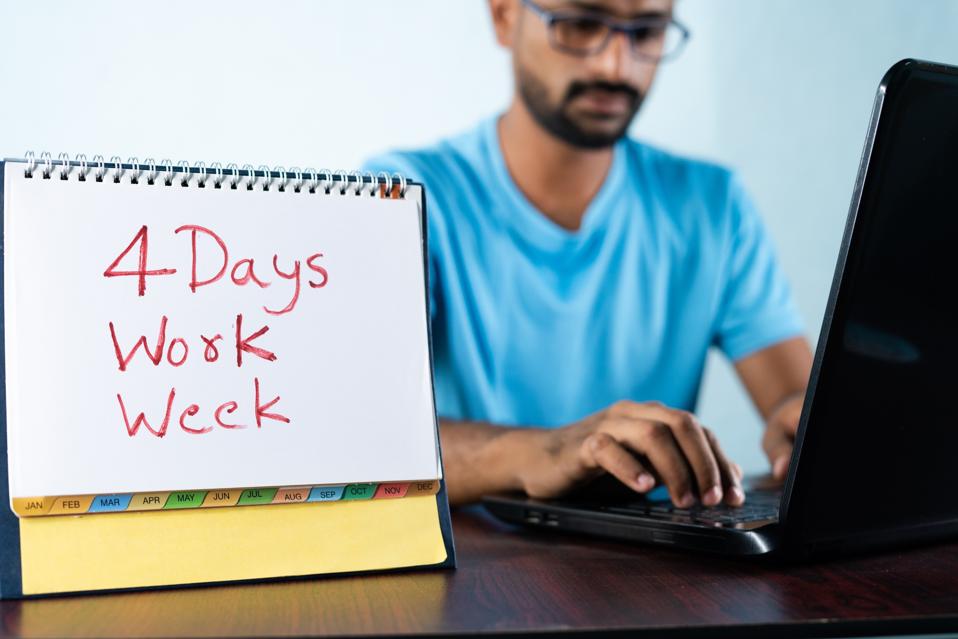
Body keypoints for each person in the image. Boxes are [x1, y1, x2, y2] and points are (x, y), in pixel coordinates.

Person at [363, 0, 813, 508]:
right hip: (475, 569)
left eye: (646, 32)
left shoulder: (712, 204)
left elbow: (793, 402)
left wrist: (802, 424)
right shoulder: (400, 195)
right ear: (504, 16)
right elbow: (367, 432)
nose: (614, 66)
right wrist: (548, 451)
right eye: (579, 24)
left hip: (655, 568)